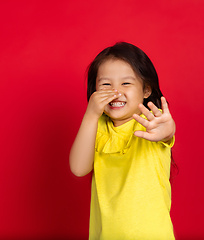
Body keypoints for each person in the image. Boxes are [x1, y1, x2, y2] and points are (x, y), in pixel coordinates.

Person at [69, 42, 176, 240]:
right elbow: (78, 168)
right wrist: (91, 114)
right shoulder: (96, 125)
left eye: (126, 83)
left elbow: (166, 130)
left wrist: (166, 130)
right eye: (106, 84)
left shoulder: (150, 121)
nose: (116, 91)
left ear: (146, 90)